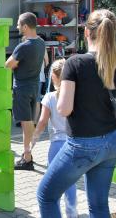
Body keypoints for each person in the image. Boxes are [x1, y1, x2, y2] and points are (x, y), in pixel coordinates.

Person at [37, 9, 116, 217]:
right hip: (112, 143)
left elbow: (64, 109)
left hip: (82, 145)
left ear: (86, 32)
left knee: (46, 195)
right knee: (99, 205)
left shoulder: (74, 63)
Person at [31, 59, 77, 218]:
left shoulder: (50, 97)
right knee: (70, 180)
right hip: (73, 143)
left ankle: (53, 211)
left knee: (54, 182)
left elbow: (43, 121)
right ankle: (72, 212)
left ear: (54, 77)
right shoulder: (75, 95)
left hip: (56, 145)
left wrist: (34, 137)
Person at [5, 12, 46, 170]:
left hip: (22, 88)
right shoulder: (41, 42)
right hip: (34, 86)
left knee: (26, 123)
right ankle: (27, 155)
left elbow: (8, 64)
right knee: (27, 122)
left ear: (25, 26)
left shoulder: (23, 46)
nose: (17, 27)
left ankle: (27, 157)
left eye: (18, 24)